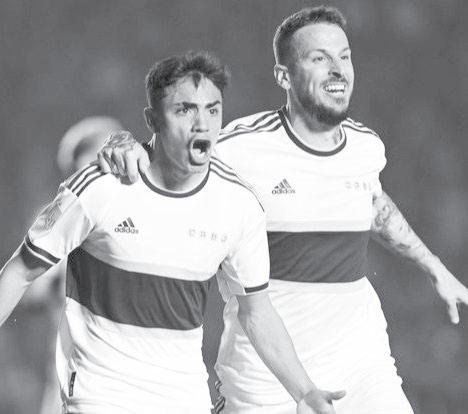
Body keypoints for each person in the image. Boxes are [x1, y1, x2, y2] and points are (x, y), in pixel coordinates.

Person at [97, 6, 468, 414]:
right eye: (319, 58)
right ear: (284, 76)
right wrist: (125, 142)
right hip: (265, 377)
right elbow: (171, 158)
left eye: (344, 56)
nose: (338, 69)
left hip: (362, 366)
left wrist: (434, 266)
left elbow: (374, 203)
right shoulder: (240, 148)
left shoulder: (366, 146)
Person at [0, 51, 345, 414]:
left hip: (183, 401)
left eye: (213, 110)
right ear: (152, 119)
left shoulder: (238, 205)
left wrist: (304, 391)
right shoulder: (102, 186)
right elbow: (21, 272)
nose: (202, 124)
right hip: (100, 398)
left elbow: (256, 312)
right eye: (184, 110)